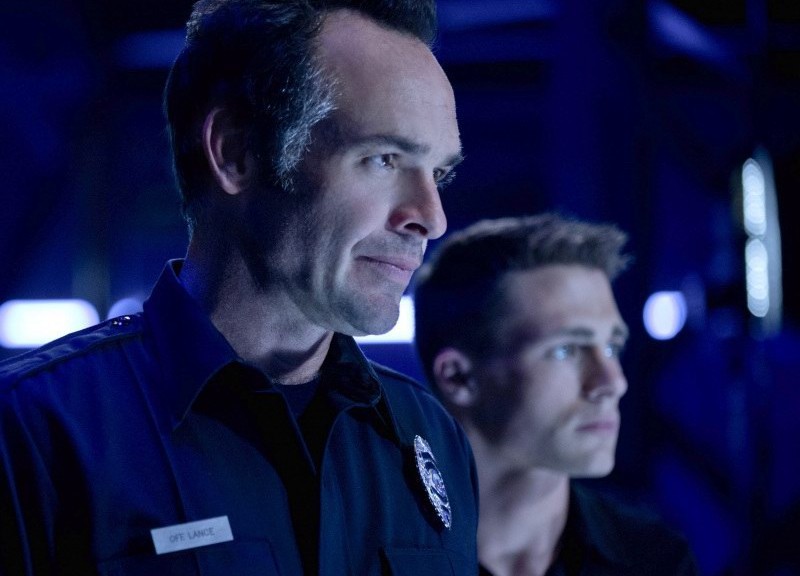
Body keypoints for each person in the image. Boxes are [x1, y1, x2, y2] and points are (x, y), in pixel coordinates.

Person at [0, 1, 478, 574]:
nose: (432, 217)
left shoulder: (432, 437)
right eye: (383, 159)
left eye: (440, 174)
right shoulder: (35, 431)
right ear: (236, 153)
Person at [414, 213, 699, 576]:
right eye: (567, 350)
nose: (613, 382)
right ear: (458, 378)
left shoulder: (655, 561)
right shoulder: (373, 551)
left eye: (611, 347)